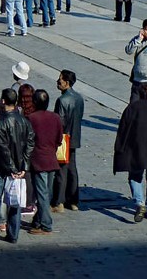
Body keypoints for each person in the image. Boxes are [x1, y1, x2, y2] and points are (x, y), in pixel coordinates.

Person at [113, 84, 147, 222]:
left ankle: (140, 202)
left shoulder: (131, 109)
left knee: (134, 177)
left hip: (136, 150)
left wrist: (119, 149)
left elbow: (122, 131)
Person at [0, 89, 34, 244]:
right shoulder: (24, 121)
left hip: (2, 167)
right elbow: (30, 144)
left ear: (3, 101)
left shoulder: (1, 123)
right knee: (15, 202)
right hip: (19, 168)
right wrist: (23, 166)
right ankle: (13, 234)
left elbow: (3, 149)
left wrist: (12, 168)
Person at [25, 90, 62, 235]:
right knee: (46, 191)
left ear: (34, 102)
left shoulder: (31, 118)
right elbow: (59, 139)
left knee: (41, 193)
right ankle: (38, 220)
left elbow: (28, 140)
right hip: (51, 159)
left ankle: (46, 224)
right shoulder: (56, 118)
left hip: (38, 160)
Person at [53, 70, 84, 212]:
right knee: (72, 168)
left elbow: (59, 122)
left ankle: (59, 201)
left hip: (63, 138)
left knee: (61, 170)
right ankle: (73, 201)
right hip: (75, 137)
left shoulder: (62, 100)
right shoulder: (79, 98)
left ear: (67, 82)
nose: (58, 81)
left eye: (60, 79)